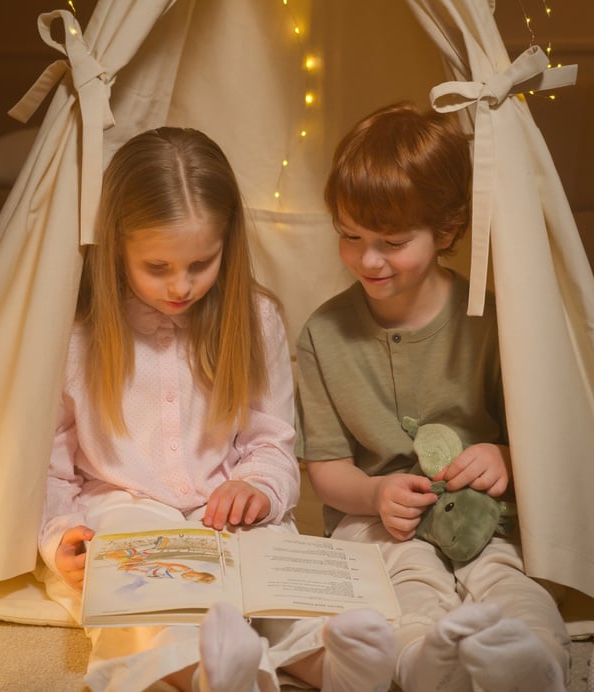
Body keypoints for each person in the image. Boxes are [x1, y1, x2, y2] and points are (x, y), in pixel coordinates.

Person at [38, 126, 396, 692]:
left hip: (227, 507)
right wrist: (60, 538)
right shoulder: (77, 334)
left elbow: (271, 442)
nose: (181, 286)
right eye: (157, 267)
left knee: (283, 575)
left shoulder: (257, 319)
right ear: (116, 247)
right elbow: (51, 469)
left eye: (201, 263)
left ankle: (339, 666)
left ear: (228, 243)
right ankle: (217, 674)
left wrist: (258, 485)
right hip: (124, 509)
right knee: (148, 606)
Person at [294, 102, 571, 692]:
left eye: (392, 242)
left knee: (508, 575)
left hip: (483, 515)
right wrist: (373, 493)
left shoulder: (493, 321)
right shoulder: (322, 334)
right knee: (403, 585)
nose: (368, 259)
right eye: (350, 236)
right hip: (377, 523)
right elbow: (326, 471)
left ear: (445, 232)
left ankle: (531, 659)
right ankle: (424, 664)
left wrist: (503, 454)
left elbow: (549, 436)